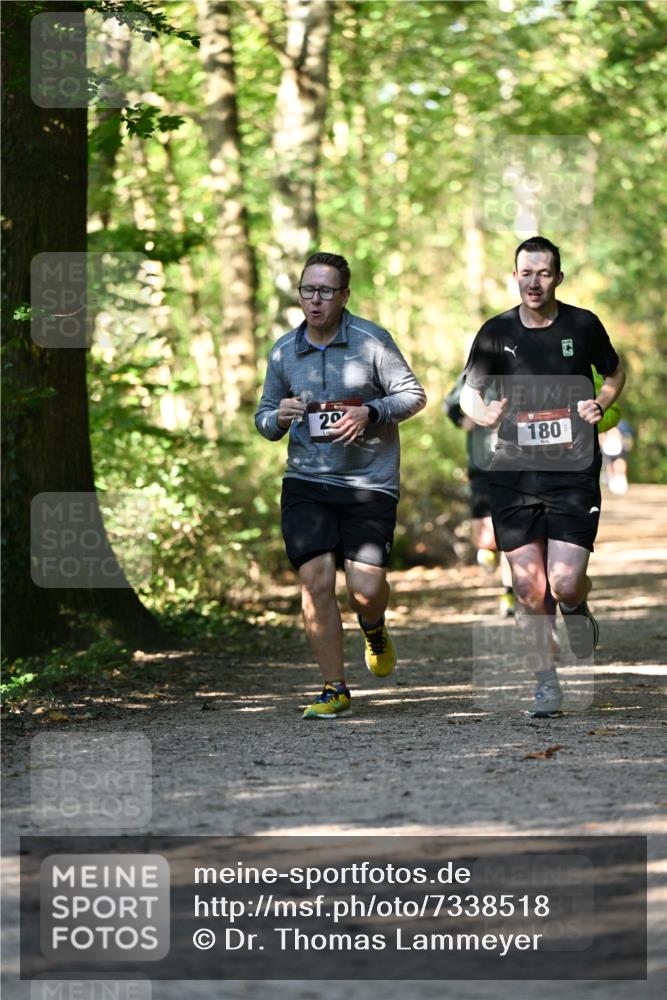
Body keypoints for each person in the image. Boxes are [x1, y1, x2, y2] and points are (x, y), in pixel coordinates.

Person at [255, 251, 426, 719]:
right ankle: (334, 688)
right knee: (315, 582)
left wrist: (371, 411)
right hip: (306, 481)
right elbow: (264, 418)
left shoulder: (372, 341)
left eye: (326, 291)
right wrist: (278, 417)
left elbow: (413, 395)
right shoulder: (284, 351)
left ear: (344, 295)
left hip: (369, 483)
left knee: (365, 591)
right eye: (308, 290)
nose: (315, 300)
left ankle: (374, 626)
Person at [460, 236, 626, 717]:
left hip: (572, 474)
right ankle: (546, 682)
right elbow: (469, 392)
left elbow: (614, 374)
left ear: (558, 277)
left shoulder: (583, 324)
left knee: (565, 582)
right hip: (514, 474)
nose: (534, 282)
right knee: (529, 588)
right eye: (526, 273)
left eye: (544, 273)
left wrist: (602, 402)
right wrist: (484, 413)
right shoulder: (495, 332)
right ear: (515, 277)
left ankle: (575, 606)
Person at [444, 375, 515, 616]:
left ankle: (509, 592)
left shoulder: (520, 366)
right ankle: (491, 554)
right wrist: (462, 420)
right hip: (481, 465)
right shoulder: (473, 374)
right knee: (486, 542)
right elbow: (449, 404)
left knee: (511, 533)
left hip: (516, 465)